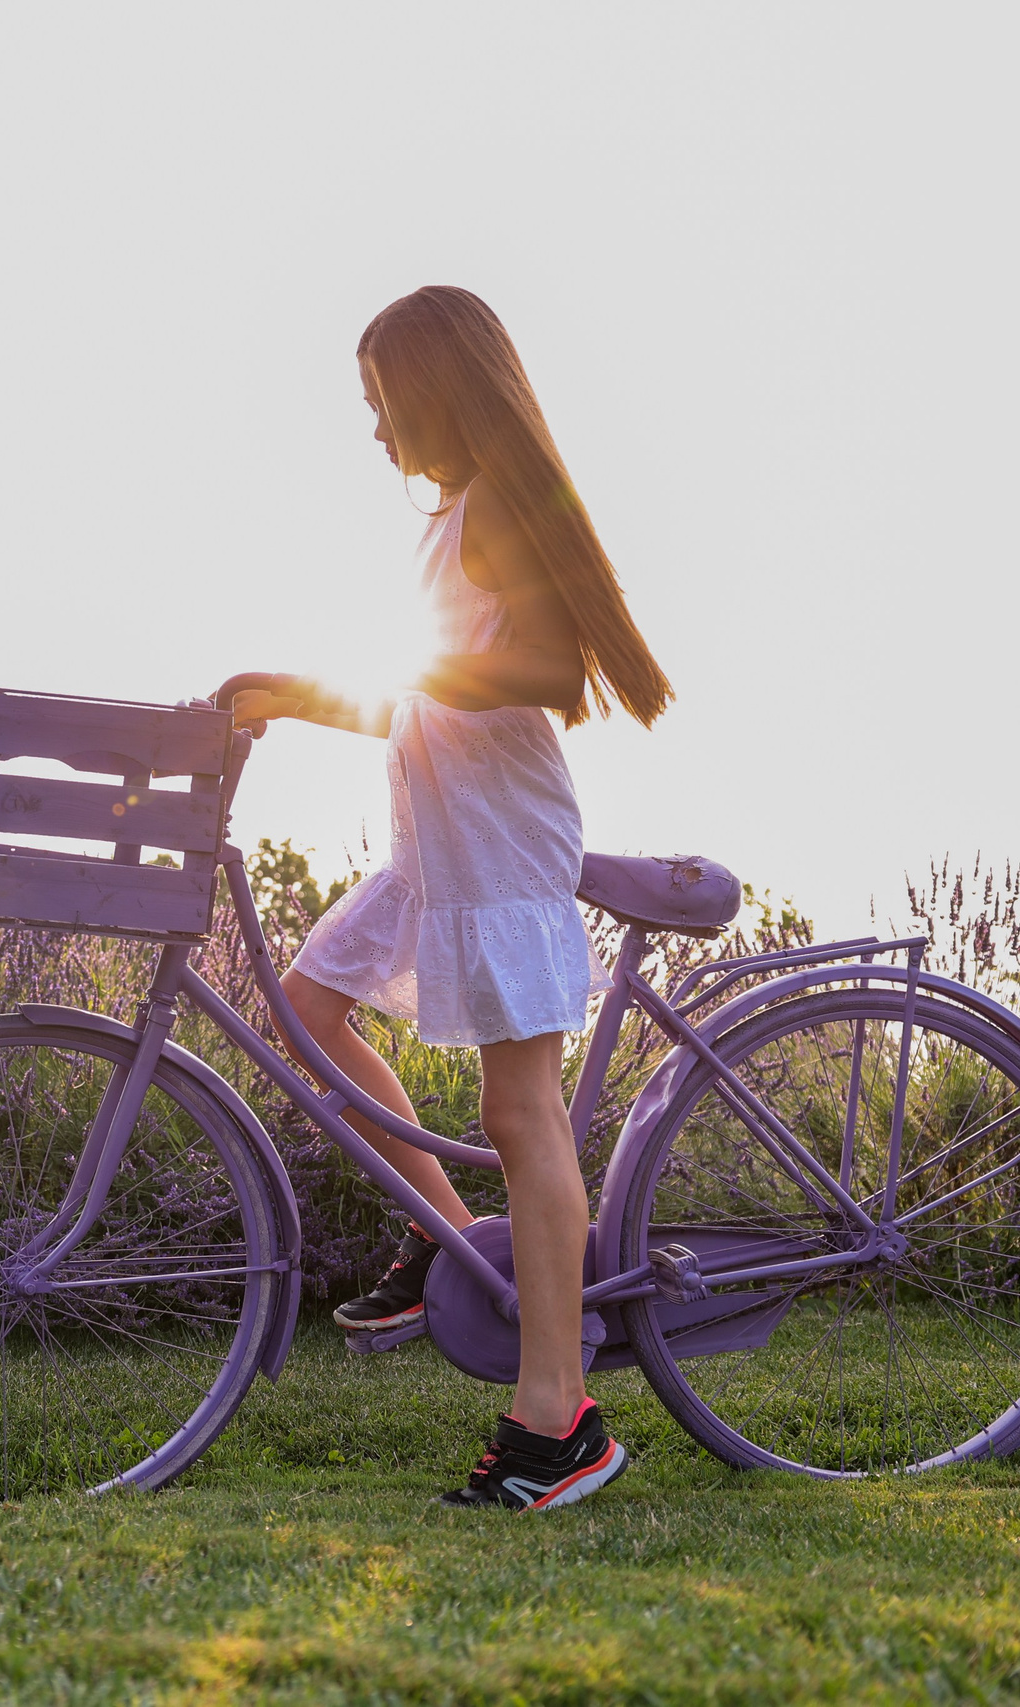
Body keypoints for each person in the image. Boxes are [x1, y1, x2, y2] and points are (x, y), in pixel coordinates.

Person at [215, 286, 672, 1512]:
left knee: (523, 1115)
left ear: (433, 392)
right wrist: (298, 693)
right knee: (309, 1006)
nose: (375, 433)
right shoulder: (450, 522)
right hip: (436, 850)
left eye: (381, 405)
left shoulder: (498, 511)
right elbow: (422, 692)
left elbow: (542, 670)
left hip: (502, 849)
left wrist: (367, 674)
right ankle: (445, 1235)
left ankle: (556, 1419)